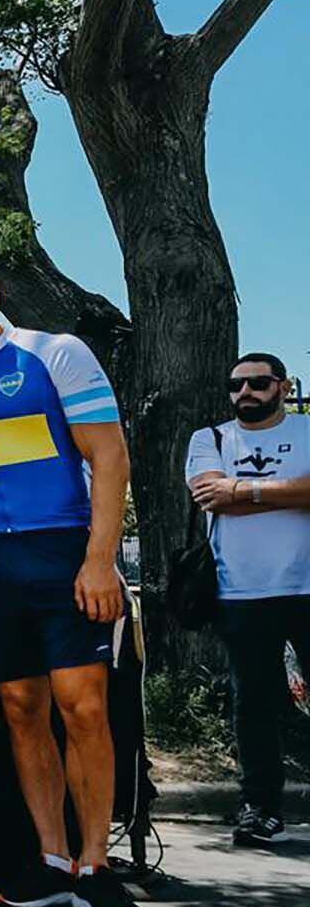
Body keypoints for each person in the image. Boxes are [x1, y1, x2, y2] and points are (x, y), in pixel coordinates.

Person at [0, 249, 144, 907]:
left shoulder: (56, 354)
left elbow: (110, 457)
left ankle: (95, 866)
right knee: (22, 709)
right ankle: (51, 860)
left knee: (82, 711)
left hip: (63, 556)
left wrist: (101, 561)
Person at [185, 352, 310, 847]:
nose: (246, 394)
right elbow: (208, 493)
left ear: (282, 386)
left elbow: (230, 494)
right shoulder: (209, 439)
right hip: (241, 592)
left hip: (306, 586)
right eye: (236, 385)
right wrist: (288, 491)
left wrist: (244, 491)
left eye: (258, 383)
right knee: (252, 703)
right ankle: (261, 808)